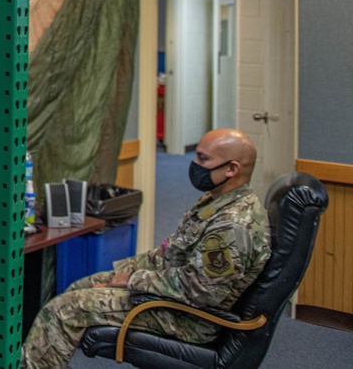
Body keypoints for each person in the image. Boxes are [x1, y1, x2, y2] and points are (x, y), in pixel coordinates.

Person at [21, 128, 271, 369]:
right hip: (174, 292)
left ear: (231, 169)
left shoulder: (232, 225)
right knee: (78, 287)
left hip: (190, 317)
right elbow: (171, 253)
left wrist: (132, 280)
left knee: (64, 310)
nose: (193, 164)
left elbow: (202, 291)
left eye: (203, 159)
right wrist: (121, 275)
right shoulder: (215, 200)